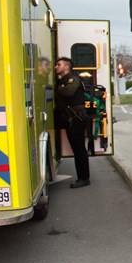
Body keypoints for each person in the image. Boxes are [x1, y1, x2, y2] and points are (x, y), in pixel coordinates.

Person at [54, 57, 90, 188]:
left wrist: (59, 89)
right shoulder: (62, 81)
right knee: (77, 149)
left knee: (79, 149)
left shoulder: (73, 79)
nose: (55, 67)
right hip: (70, 119)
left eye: (58, 65)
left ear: (66, 67)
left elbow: (68, 92)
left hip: (77, 119)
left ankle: (84, 178)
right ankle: (82, 177)